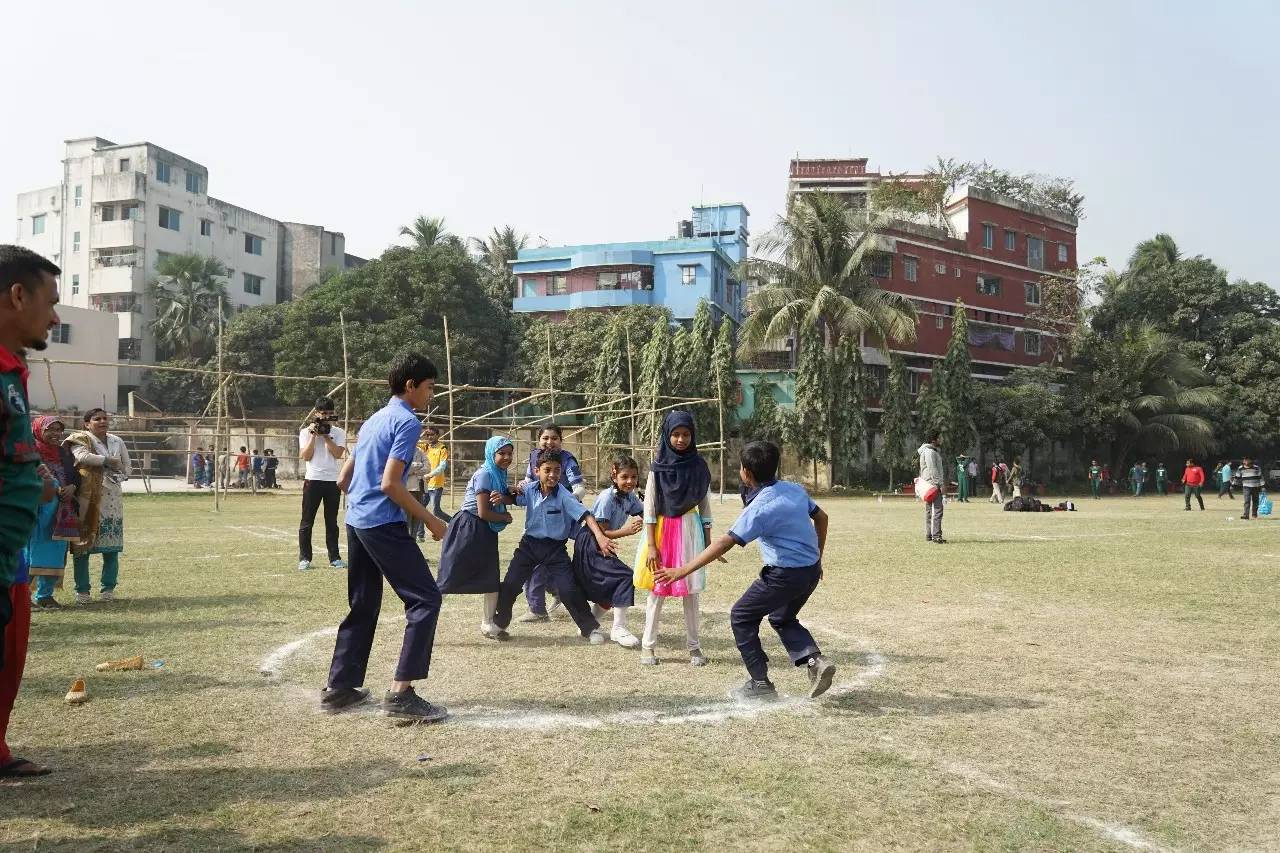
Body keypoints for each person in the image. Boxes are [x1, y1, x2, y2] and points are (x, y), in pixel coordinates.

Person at [322, 351, 449, 723]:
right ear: (410, 386)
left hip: (357, 521)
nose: (430, 394)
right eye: (428, 387)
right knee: (425, 599)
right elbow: (391, 483)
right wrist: (431, 520)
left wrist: (364, 503)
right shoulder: (407, 422)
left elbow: (344, 480)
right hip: (381, 523)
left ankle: (340, 688)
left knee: (363, 604)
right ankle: (401, 694)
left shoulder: (375, 419)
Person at [657, 440, 835, 702]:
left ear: (746, 473)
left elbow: (724, 542)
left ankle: (760, 683)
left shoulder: (759, 509)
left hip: (783, 575)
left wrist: (681, 570)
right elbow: (822, 517)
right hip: (809, 571)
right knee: (782, 618)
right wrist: (818, 557)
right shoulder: (794, 490)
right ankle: (815, 662)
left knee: (741, 616)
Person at [0, 245, 60, 778]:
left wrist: (32, 477)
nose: (56, 316)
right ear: (18, 296)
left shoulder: (11, 370)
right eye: (51, 301)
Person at [490, 448, 615, 643]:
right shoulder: (529, 489)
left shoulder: (564, 495)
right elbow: (513, 497)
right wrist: (503, 495)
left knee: (568, 589)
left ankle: (590, 629)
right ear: (536, 470)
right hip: (529, 546)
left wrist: (600, 537)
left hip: (555, 549)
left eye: (557, 470)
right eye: (547, 470)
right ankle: (500, 622)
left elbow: (586, 516)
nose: (552, 475)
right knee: (511, 584)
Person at [633, 411, 714, 666]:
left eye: (686, 434)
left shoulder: (699, 467)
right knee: (658, 591)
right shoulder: (658, 467)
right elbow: (649, 509)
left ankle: (694, 648)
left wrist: (708, 542)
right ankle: (648, 647)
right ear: (667, 436)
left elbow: (705, 506)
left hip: (691, 533)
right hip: (662, 532)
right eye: (676, 434)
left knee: (691, 591)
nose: (681, 439)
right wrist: (652, 546)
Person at [436, 435, 515, 638]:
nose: (506, 457)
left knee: (490, 576)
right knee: (449, 578)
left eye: (509, 453)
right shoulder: (485, 474)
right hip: (467, 528)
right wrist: (505, 517)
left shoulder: (499, 473)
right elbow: (483, 512)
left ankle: (488, 624)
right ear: (491, 454)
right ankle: (425, 620)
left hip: (484, 531)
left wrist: (513, 493)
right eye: (501, 453)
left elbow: (504, 496)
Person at [572, 455, 643, 649]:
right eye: (625, 477)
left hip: (602, 543)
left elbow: (644, 512)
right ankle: (618, 629)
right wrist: (626, 531)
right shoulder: (606, 498)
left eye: (633, 477)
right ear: (614, 476)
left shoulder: (630, 497)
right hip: (590, 542)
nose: (629, 481)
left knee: (613, 584)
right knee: (625, 576)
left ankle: (588, 624)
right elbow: (601, 532)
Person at [516, 424, 586, 623]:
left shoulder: (567, 460)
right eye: (545, 438)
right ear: (539, 440)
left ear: (561, 440)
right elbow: (529, 481)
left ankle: (537, 609)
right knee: (542, 564)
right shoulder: (534, 457)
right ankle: (558, 592)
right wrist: (522, 486)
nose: (549, 442)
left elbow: (579, 488)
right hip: (537, 517)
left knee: (536, 565)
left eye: (554, 438)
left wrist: (564, 501)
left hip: (557, 519)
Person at [66, 409, 130, 604]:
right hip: (87, 500)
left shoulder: (117, 441)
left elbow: (127, 466)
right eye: (97, 419)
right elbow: (83, 457)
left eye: (105, 418)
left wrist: (119, 475)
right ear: (87, 424)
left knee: (111, 549)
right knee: (82, 547)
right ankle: (82, 592)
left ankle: (108, 590)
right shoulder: (80, 439)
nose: (102, 421)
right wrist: (107, 461)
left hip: (112, 501)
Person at [28, 417, 80, 610]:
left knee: (56, 551)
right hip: (36, 509)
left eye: (59, 430)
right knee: (31, 550)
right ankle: (23, 595)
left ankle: (45, 595)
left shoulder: (64, 453)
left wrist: (73, 487)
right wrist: (53, 486)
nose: (55, 434)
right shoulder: (29, 453)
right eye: (50, 429)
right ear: (37, 430)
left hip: (60, 513)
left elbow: (74, 476)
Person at [298, 397, 347, 571]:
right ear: (316, 413)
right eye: (323, 413)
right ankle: (304, 558)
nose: (326, 417)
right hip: (313, 479)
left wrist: (326, 436)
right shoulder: (305, 432)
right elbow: (306, 456)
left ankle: (334, 558)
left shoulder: (339, 432)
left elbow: (338, 454)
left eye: (329, 413)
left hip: (332, 481)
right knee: (307, 521)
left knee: (331, 522)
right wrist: (313, 436)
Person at [918, 435, 946, 544]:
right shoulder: (929, 452)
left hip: (929, 484)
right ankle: (936, 536)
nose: (940, 440)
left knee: (930, 510)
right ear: (933, 440)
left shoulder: (928, 451)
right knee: (937, 510)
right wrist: (939, 483)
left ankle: (930, 535)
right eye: (939, 438)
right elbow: (932, 468)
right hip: (932, 484)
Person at [420, 425, 450, 523]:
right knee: (420, 509)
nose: (429, 437)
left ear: (437, 435)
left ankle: (454, 522)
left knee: (436, 511)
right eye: (427, 435)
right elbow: (412, 442)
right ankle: (420, 536)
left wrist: (430, 475)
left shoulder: (442, 448)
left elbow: (442, 466)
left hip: (436, 484)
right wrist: (422, 434)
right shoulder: (426, 446)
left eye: (432, 435)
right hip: (425, 484)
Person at [405, 440, 429, 542]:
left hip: (420, 488)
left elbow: (428, 467)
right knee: (407, 519)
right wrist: (418, 466)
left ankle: (413, 543)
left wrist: (413, 469)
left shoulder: (419, 451)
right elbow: (405, 469)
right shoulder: (402, 451)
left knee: (417, 517)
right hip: (408, 489)